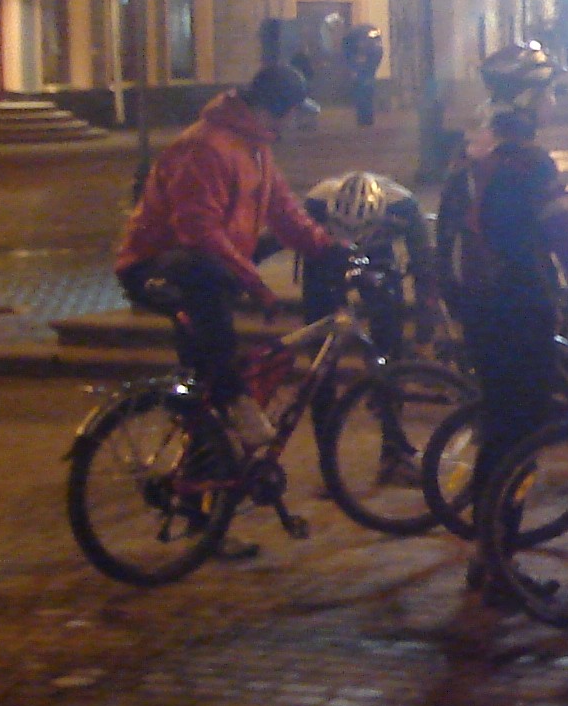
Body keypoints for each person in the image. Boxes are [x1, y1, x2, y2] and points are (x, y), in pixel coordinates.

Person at [435, 44, 568, 598]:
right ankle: (500, 567)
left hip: (481, 312)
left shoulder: (471, 155)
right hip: (520, 310)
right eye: (547, 92)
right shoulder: (528, 162)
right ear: (526, 98)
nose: (552, 102)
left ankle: (488, 556)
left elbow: (446, 236)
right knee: (521, 443)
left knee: (499, 434)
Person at [114, 64, 346, 438]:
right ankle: (234, 400)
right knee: (208, 290)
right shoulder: (206, 147)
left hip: (211, 261)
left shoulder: (256, 147)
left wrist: (328, 248)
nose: (294, 123)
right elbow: (197, 231)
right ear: (280, 110)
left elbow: (284, 212)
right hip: (156, 267)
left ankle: (210, 446)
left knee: (204, 369)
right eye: (293, 114)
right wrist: (258, 286)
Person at [301, 169, 438, 359]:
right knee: (318, 313)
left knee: (387, 310)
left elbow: (424, 270)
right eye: (345, 227)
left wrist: (424, 334)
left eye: (362, 229)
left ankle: (387, 362)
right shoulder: (317, 202)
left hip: (377, 250)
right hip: (331, 248)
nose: (354, 237)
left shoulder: (403, 206)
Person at [341, 23, 384, 129]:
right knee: (362, 93)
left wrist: (366, 67)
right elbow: (347, 55)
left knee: (366, 92)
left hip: (367, 70)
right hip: (362, 70)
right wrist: (354, 68)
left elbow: (377, 53)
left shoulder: (372, 41)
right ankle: (364, 118)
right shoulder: (351, 40)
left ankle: (366, 118)